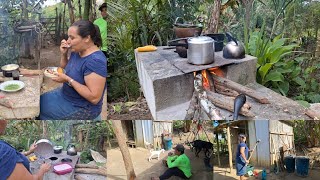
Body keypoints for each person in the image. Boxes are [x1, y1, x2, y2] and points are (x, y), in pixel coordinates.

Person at [39, 20, 107, 120]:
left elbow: (94, 98)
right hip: (65, 94)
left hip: (83, 107)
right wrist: (64, 54)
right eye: (68, 37)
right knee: (38, 102)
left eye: (72, 38)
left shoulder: (95, 61)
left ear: (87, 38)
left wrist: (68, 80)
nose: (68, 41)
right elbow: (65, 69)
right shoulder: (77, 50)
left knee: (39, 110)